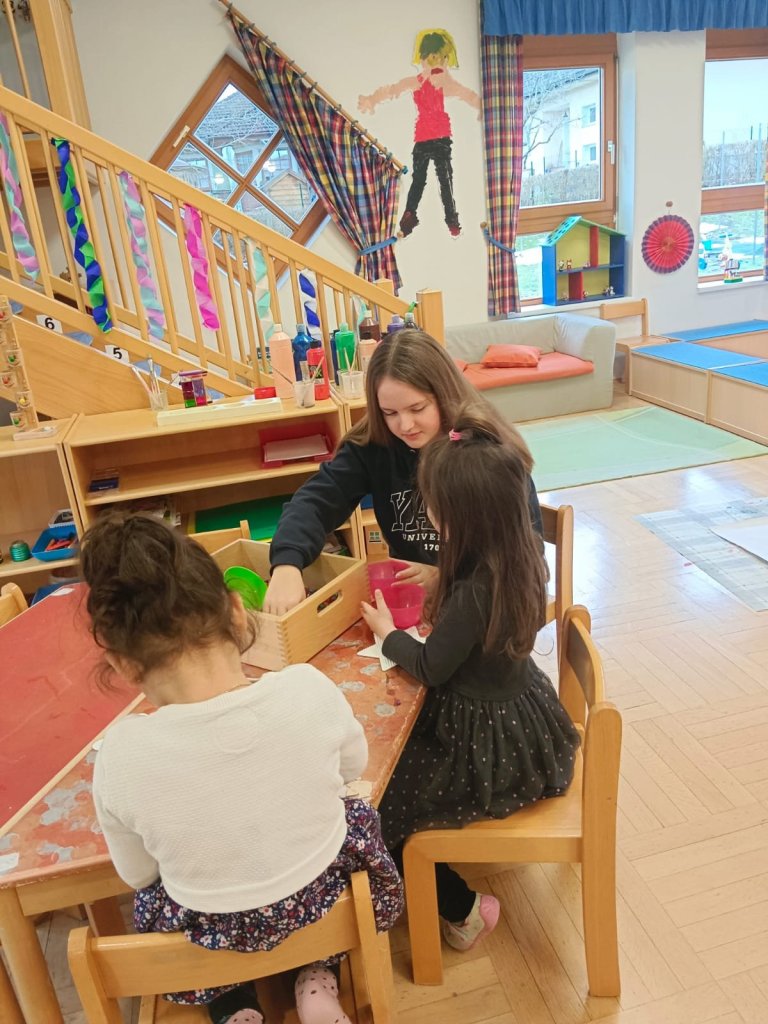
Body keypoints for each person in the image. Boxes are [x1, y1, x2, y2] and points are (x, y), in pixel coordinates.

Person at [82, 512, 403, 1024]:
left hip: (210, 934)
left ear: (122, 664)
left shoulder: (121, 753)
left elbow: (138, 873)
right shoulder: (306, 687)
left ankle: (233, 1006)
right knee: (352, 817)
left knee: (165, 889)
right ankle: (318, 977)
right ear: (237, 611)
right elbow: (353, 767)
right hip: (321, 903)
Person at [360, 404, 580, 953]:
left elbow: (432, 665)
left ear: (461, 517)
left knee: (382, 807)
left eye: (433, 507)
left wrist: (388, 634)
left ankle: (465, 909)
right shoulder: (517, 554)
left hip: (487, 742)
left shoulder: (476, 589)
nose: (429, 514)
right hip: (519, 716)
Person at [264, 329, 542, 615]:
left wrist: (445, 578)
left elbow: (523, 558)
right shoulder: (374, 445)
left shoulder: (485, 452)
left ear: (443, 394)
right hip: (415, 604)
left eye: (417, 408)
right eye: (390, 413)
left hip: (484, 605)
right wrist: (287, 563)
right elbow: (316, 501)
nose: (405, 425)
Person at [358, 29, 480, 237]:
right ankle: (412, 216)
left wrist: (480, 104)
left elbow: (464, 93)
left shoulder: (443, 82)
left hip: (438, 138)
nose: (437, 63)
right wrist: (372, 99)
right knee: (423, 179)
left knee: (443, 179)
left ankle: (449, 219)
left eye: (441, 59)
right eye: (433, 58)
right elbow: (393, 90)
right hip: (427, 137)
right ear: (424, 59)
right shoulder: (419, 81)